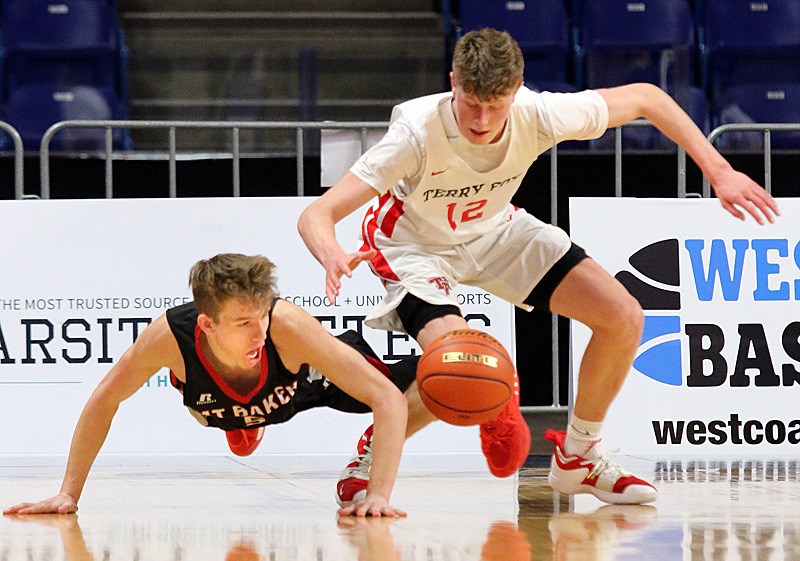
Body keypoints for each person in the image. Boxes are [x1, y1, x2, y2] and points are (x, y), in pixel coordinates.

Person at [297, 28, 780, 506]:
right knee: (460, 362)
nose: (483, 119)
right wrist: (332, 252)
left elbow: (647, 97)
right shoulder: (415, 134)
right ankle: (374, 455)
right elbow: (317, 213)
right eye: (471, 103)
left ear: (518, 90)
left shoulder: (539, 112)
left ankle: (580, 456)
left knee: (623, 316)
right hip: (413, 247)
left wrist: (718, 169)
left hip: (494, 230)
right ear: (453, 83)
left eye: (497, 104)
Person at [3, 253, 415, 518]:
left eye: (262, 316)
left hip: (299, 387)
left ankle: (252, 418)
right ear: (206, 324)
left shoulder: (287, 327)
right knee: (212, 403)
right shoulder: (169, 337)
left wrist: (378, 495)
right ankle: (243, 420)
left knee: (436, 379)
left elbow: (387, 399)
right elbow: (103, 400)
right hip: (215, 403)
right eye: (242, 323)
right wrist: (67, 494)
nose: (259, 333)